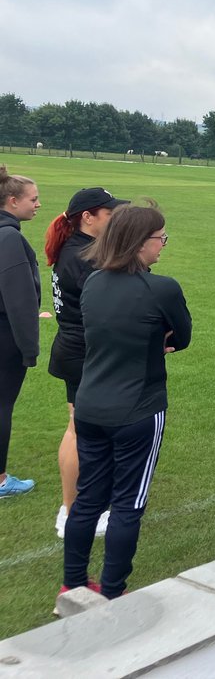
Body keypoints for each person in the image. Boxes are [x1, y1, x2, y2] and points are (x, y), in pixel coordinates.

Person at [63, 202, 191, 602]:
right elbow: (181, 337)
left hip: (90, 407)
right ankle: (113, 592)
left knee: (87, 499)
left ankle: (72, 584)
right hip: (138, 409)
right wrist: (157, 341)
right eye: (160, 238)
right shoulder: (162, 288)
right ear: (139, 243)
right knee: (127, 505)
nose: (163, 246)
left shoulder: (95, 283)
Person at [44, 187, 129, 536]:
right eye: (110, 213)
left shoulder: (75, 249)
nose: (115, 218)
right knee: (81, 430)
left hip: (75, 348)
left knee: (80, 428)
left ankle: (78, 507)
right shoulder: (85, 256)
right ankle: (74, 511)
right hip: (87, 352)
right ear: (87, 217)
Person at [0, 165, 41, 499]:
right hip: (5, 337)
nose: (37, 204)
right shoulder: (10, 237)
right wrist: (29, 348)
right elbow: (19, 299)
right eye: (33, 199)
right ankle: (0, 480)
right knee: (1, 405)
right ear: (12, 201)